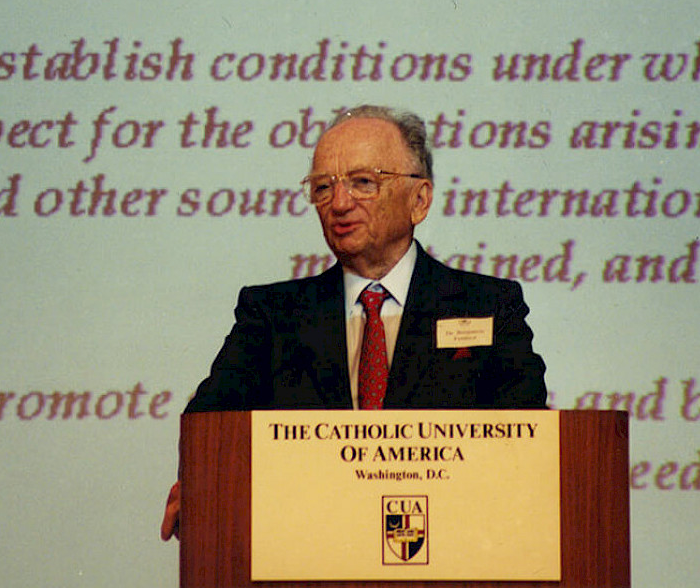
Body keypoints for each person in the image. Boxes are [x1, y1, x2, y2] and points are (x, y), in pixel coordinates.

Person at [161, 104, 547, 540]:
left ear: (419, 200)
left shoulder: (489, 306)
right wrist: (198, 481)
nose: (339, 203)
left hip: (458, 547)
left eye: (363, 182)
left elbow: (525, 435)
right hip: (309, 549)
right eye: (323, 187)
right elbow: (209, 426)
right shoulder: (271, 316)